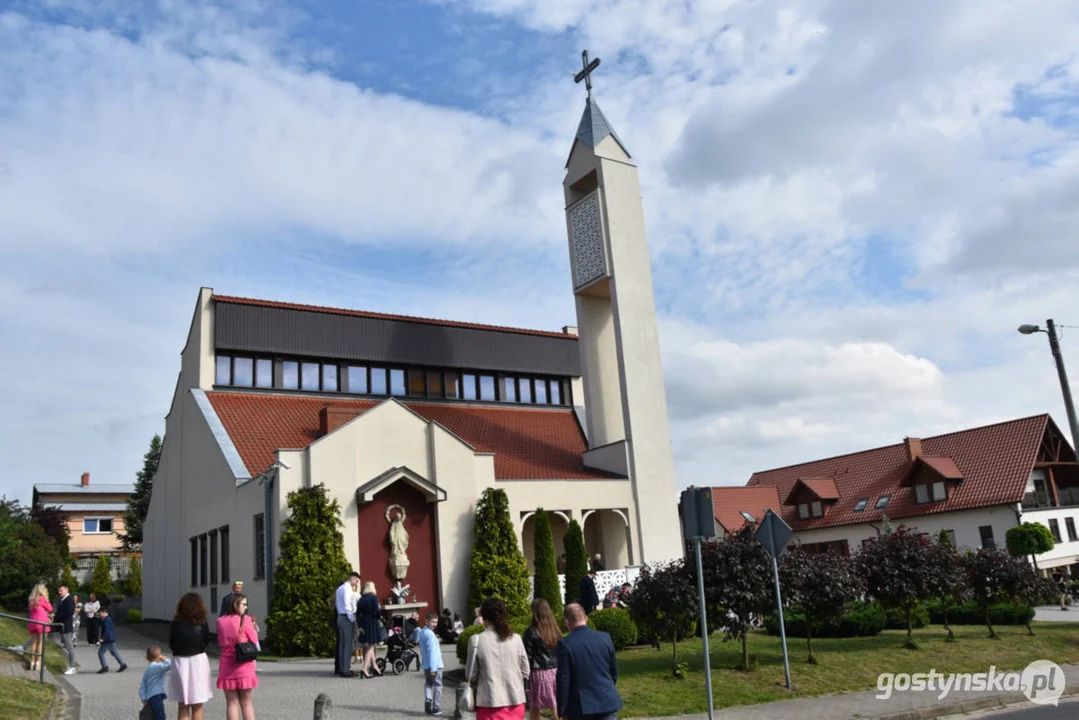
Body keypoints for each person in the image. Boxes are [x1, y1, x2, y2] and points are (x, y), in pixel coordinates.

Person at [466, 597, 529, 720]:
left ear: (483, 616)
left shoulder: (476, 640)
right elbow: (526, 671)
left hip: (489, 702)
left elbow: (470, 674)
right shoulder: (516, 639)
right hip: (515, 701)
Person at [556, 603, 623, 720]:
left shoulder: (565, 644)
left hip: (581, 705)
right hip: (607, 698)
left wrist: (562, 711)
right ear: (586, 618)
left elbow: (564, 680)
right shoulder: (605, 638)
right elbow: (613, 672)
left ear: (567, 622)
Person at [167, 592, 213, 720]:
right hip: (198, 660)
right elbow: (206, 641)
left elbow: (171, 643)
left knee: (182, 704)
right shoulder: (203, 623)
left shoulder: (175, 623)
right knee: (198, 705)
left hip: (180, 661)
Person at [216, 593, 259, 720]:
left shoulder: (220, 621)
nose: (246, 607)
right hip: (244, 664)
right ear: (235, 605)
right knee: (246, 703)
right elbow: (254, 639)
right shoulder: (246, 620)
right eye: (244, 604)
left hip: (227, 664)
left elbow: (221, 642)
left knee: (231, 703)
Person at [522, 599, 559, 720]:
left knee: (535, 706)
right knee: (556, 705)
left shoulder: (531, 632)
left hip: (539, 672)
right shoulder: (555, 630)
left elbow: (527, 655)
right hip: (556, 671)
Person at [411, 611, 445, 715]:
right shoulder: (430, 634)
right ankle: (436, 707)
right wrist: (434, 668)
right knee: (438, 685)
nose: (435, 624)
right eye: (433, 622)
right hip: (435, 665)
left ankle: (428, 699)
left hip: (426, 664)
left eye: (436, 622)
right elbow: (432, 652)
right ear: (426, 621)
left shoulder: (422, 632)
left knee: (428, 684)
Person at [334, 571, 360, 677]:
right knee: (348, 644)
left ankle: (341, 668)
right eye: (356, 580)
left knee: (342, 644)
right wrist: (351, 618)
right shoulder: (347, 588)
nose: (357, 583)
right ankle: (345, 669)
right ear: (352, 578)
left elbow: (338, 603)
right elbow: (347, 604)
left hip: (340, 616)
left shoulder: (340, 588)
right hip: (345, 617)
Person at [355, 581, 383, 678]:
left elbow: (357, 614)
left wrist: (360, 626)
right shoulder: (373, 598)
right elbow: (377, 612)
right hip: (372, 622)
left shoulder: (361, 599)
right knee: (371, 646)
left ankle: (375, 666)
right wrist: (378, 616)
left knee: (369, 645)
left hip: (363, 623)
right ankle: (364, 668)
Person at [140, 645, 172, 720]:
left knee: (153, 715)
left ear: (147, 658)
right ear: (159, 657)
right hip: (157, 695)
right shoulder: (157, 667)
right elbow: (171, 665)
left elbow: (143, 685)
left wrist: (143, 697)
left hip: (150, 696)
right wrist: (165, 659)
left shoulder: (147, 670)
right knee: (160, 715)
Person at [26, 583, 52, 672]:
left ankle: (32, 662)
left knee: (34, 642)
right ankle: (38, 663)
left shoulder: (32, 599)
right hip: (41, 623)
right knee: (41, 643)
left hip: (33, 622)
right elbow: (50, 608)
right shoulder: (42, 599)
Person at [53, 584, 78, 675]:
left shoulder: (69, 599)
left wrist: (55, 616)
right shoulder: (63, 599)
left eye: (61, 590)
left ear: (66, 590)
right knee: (68, 646)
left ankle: (72, 666)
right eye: (59, 591)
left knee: (69, 646)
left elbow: (69, 613)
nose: (59, 592)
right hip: (61, 625)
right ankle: (71, 665)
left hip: (66, 626)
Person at [95, 607, 127, 673]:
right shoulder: (107, 619)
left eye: (100, 613)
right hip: (110, 638)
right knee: (114, 652)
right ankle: (123, 664)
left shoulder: (106, 620)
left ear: (104, 612)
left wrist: (102, 639)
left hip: (107, 639)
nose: (100, 615)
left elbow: (106, 630)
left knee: (100, 652)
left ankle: (105, 667)